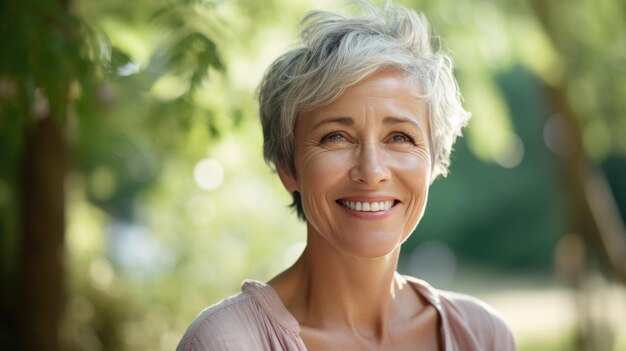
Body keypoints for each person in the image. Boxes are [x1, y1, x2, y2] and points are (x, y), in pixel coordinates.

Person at [177, 2, 516, 350]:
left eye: (400, 137)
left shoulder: (484, 336)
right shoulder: (227, 342)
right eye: (335, 137)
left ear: (434, 162)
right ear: (287, 166)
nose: (371, 172)